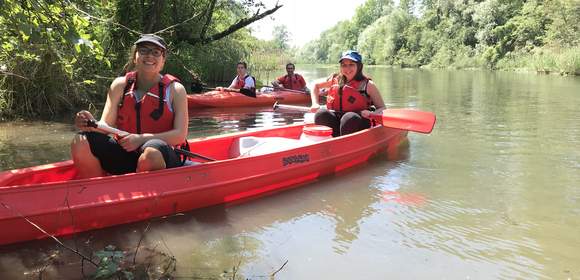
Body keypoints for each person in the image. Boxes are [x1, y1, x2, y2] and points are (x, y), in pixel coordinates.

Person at [71, 34, 189, 178]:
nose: (149, 56)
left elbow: (180, 135)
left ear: (163, 61)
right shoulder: (120, 85)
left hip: (161, 156)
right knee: (81, 140)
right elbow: (105, 125)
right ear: (135, 57)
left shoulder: (176, 90)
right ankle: (94, 191)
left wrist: (140, 139)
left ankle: (148, 193)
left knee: (151, 152)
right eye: (144, 51)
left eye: (156, 52)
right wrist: (90, 124)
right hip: (125, 155)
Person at [309, 50, 386, 137]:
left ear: (359, 66)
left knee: (349, 117)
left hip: (358, 121)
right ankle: (334, 139)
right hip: (338, 120)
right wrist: (315, 103)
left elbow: (382, 108)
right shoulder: (335, 80)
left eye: (351, 64)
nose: (347, 69)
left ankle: (344, 144)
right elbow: (314, 85)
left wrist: (371, 114)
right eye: (344, 65)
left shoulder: (368, 85)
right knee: (321, 113)